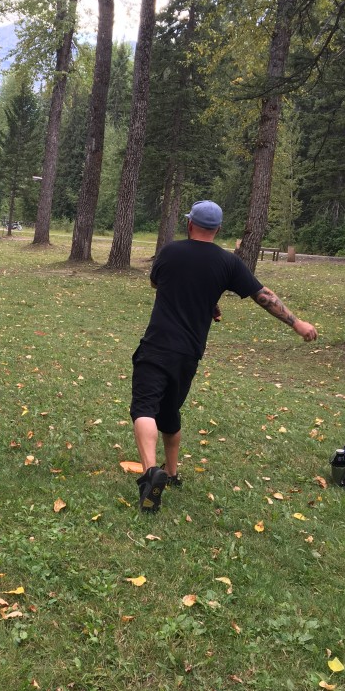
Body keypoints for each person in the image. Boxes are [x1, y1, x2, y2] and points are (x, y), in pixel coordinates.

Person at [131, 199, 318, 511]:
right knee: (169, 412)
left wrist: (199, 298)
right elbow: (263, 296)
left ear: (190, 224)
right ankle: (173, 474)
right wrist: (296, 323)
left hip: (158, 345)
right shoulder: (227, 263)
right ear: (217, 230)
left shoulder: (169, 251)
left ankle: (151, 474)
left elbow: (157, 282)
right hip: (189, 352)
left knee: (144, 408)